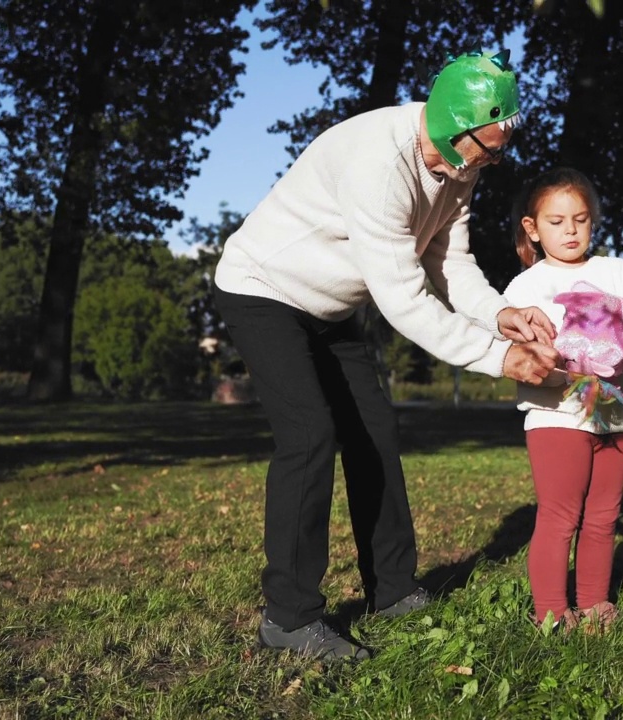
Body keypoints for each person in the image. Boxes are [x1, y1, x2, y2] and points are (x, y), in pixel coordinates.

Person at [212, 50, 561, 660]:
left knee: (375, 429)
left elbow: (448, 262)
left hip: (330, 306)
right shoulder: (380, 162)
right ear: (456, 124)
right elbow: (403, 299)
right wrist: (497, 357)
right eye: (491, 146)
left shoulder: (460, 162)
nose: (496, 158)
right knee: (310, 435)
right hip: (262, 289)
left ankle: (393, 590)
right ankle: (288, 619)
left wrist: (501, 315)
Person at [502, 167, 623, 634]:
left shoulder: (613, 272)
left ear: (592, 222)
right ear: (533, 229)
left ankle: (595, 603)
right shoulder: (528, 286)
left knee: (602, 515)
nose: (571, 230)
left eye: (580, 219)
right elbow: (509, 331)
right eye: (556, 222)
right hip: (556, 413)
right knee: (561, 516)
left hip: (613, 411)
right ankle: (552, 612)